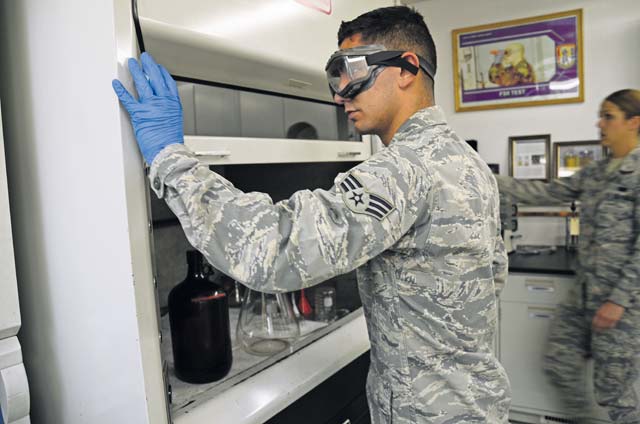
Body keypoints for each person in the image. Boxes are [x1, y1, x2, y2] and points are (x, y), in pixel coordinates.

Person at [112, 6, 511, 423]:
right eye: (334, 77)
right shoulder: (467, 163)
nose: (340, 94)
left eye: (351, 71)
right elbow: (490, 275)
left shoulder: (404, 169)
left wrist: (170, 159)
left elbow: (272, 247)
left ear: (407, 68)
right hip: (474, 402)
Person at [496, 89, 640, 423]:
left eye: (609, 116)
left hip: (622, 305)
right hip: (584, 295)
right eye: (600, 115)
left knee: (614, 392)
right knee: (559, 363)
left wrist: (617, 302)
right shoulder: (596, 173)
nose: (599, 123)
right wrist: (489, 179)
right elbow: (545, 192)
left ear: (634, 122)